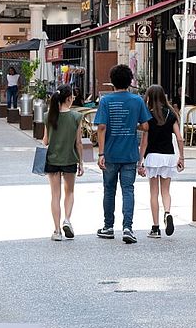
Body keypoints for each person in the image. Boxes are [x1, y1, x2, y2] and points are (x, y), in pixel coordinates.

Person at [93, 64, 151, 243]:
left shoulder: (105, 101)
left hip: (109, 153)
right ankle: (128, 227)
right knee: (128, 190)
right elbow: (146, 126)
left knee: (109, 190)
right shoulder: (137, 101)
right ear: (129, 81)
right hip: (129, 154)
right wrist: (133, 124)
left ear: (112, 82)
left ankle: (108, 227)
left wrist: (101, 153)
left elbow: (101, 127)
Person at [137, 85, 185, 239]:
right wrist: (181, 157)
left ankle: (155, 228)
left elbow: (144, 142)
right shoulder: (171, 114)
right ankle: (168, 213)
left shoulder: (147, 116)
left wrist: (140, 161)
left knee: (153, 193)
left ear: (149, 98)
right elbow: (179, 138)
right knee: (166, 191)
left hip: (152, 157)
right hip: (169, 156)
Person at [43, 85, 84, 241]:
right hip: (69, 159)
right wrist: (81, 163)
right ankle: (67, 219)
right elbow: (79, 143)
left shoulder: (48, 115)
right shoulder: (76, 117)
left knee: (55, 195)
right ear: (68, 98)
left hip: (52, 159)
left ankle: (57, 230)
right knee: (70, 192)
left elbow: (45, 141)